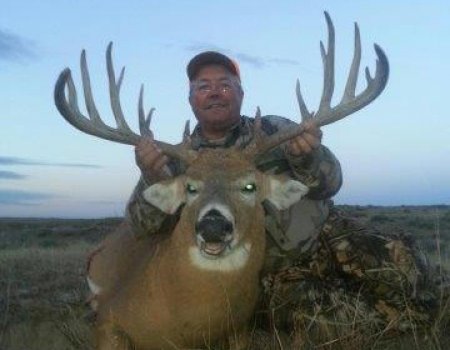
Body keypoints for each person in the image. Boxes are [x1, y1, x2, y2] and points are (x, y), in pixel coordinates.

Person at [125, 51, 446, 346]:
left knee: (401, 270)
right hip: (263, 272)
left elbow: (330, 183)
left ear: (241, 93)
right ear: (191, 99)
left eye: (225, 84)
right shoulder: (175, 160)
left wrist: (308, 158)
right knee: (323, 327)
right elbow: (143, 227)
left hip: (326, 239)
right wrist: (151, 178)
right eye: (202, 86)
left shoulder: (278, 130)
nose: (214, 91)